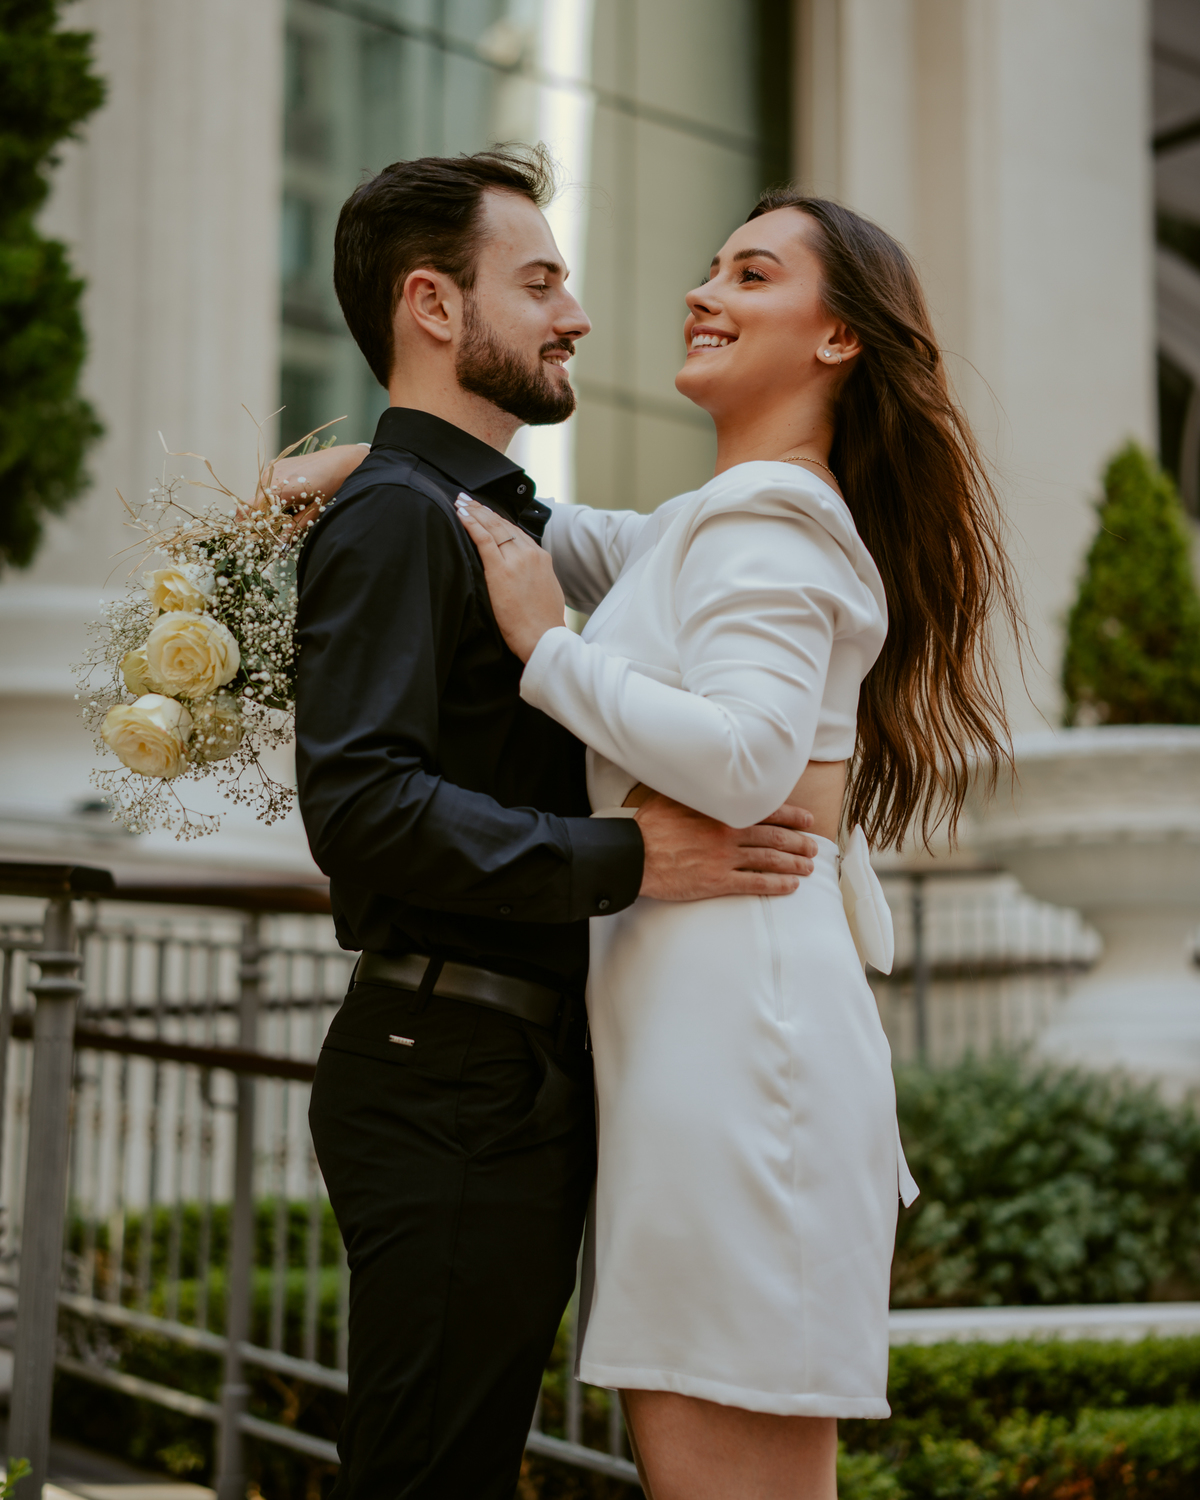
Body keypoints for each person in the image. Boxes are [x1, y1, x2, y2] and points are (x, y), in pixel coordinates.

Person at [453, 193, 1023, 1499]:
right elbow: (563, 535)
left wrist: (548, 650)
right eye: (712, 268)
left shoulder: (768, 517)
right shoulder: (725, 518)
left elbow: (748, 757)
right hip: (720, 1051)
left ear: (838, 338)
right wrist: (370, 470)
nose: (703, 293)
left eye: (752, 275)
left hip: (740, 1066)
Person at [288, 149, 819, 1500]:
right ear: (434, 305)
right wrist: (633, 859)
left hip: (502, 1071)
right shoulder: (396, 522)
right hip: (447, 1069)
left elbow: (644, 548)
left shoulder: (460, 510)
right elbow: (362, 808)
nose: (576, 315)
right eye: (539, 285)